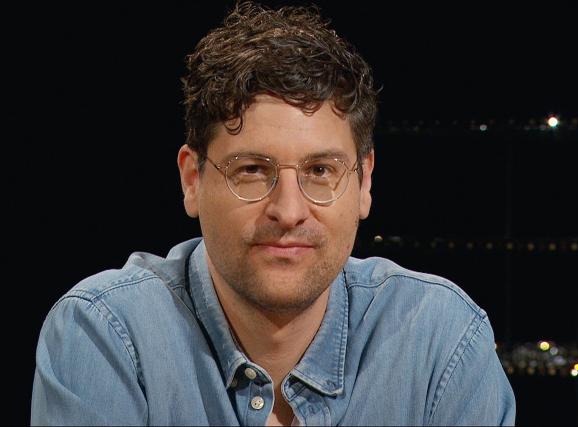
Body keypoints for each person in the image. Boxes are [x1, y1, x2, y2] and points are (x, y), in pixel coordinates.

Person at [31, 1, 516, 425]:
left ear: (364, 183)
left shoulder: (442, 340)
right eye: (251, 170)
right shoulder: (107, 334)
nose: (288, 211)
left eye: (320, 171)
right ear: (193, 180)